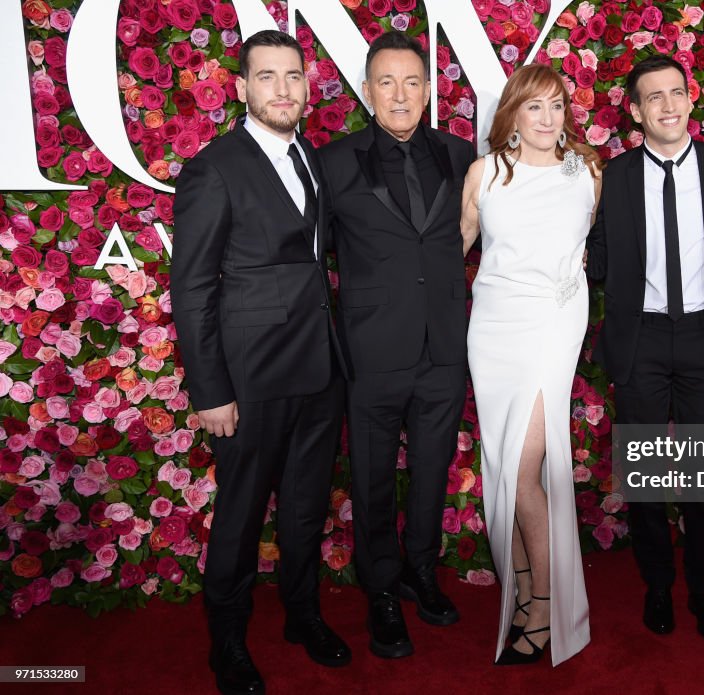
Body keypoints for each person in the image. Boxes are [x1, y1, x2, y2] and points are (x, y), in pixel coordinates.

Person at [171, 29, 351, 695]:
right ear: (242, 89)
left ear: (307, 87)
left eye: (294, 76)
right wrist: (210, 389)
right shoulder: (215, 168)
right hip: (249, 380)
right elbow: (191, 287)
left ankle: (303, 615)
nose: (284, 88)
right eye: (268, 76)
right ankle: (227, 642)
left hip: (318, 369)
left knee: (305, 509)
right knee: (243, 514)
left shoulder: (311, 156)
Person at [319, 31, 475, 659]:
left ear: (430, 89)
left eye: (413, 81)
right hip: (372, 351)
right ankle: (381, 588)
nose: (401, 93)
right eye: (387, 82)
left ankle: (419, 572)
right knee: (375, 478)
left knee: (434, 471)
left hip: (444, 346)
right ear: (367, 91)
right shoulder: (332, 162)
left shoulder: (461, 156)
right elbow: (310, 258)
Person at [585, 56, 704, 642]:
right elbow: (594, 260)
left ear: (690, 98)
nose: (669, 105)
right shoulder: (614, 177)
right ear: (635, 111)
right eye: (654, 97)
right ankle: (657, 585)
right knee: (647, 479)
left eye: (676, 93)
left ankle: (703, 587)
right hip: (642, 340)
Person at [462, 64, 602, 666]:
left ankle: (544, 604)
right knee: (502, 467)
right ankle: (523, 590)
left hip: (551, 327)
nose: (548, 120)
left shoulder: (588, 174)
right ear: (513, 115)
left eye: (557, 107)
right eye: (535, 107)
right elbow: (454, 250)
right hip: (492, 330)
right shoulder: (485, 173)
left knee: (523, 469)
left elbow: (584, 251)